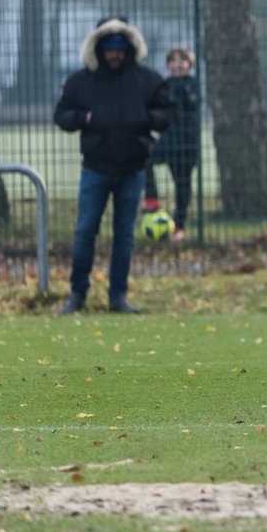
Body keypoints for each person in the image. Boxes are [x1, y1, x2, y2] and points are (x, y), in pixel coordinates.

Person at [54, 17, 173, 314]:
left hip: (133, 170)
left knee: (124, 238)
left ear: (130, 48)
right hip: (95, 169)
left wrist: (145, 119)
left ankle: (117, 297)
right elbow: (62, 116)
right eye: (109, 47)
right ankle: (77, 295)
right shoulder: (81, 82)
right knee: (85, 233)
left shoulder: (148, 80)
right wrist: (83, 119)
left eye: (120, 47)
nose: (115, 53)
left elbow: (166, 114)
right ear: (99, 48)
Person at [142, 47, 200, 242]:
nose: (177, 65)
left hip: (187, 146)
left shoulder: (193, 84)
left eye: (182, 61)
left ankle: (179, 226)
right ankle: (151, 199)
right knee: (145, 159)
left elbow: (192, 104)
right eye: (173, 61)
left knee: (182, 185)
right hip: (167, 141)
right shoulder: (164, 85)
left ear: (189, 65)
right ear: (167, 65)